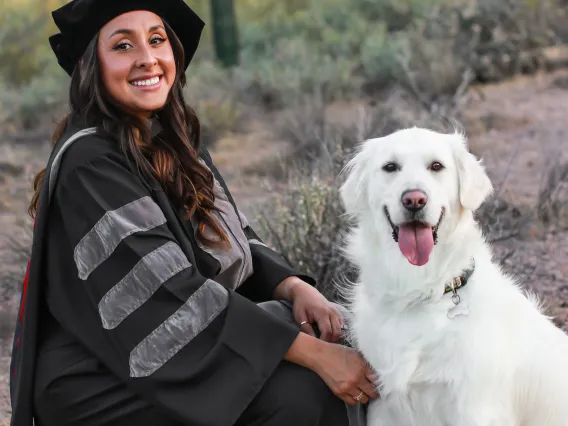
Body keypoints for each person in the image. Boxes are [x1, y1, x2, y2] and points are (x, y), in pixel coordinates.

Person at [9, 1, 379, 425]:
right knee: (301, 388)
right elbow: (168, 298)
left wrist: (293, 287)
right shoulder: (90, 163)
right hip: (99, 379)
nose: (147, 59)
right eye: (123, 46)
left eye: (156, 40)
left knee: (332, 335)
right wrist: (315, 356)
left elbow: (229, 236)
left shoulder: (170, 138)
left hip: (170, 352)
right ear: (92, 65)